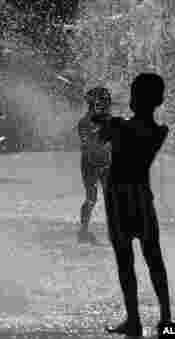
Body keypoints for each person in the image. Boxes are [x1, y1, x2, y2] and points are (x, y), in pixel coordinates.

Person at [96, 73, 172, 337]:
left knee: (125, 261)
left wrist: (104, 119)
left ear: (133, 99)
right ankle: (166, 319)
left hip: (118, 198)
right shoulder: (160, 132)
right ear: (159, 100)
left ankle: (134, 320)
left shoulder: (119, 126)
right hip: (142, 196)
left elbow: (101, 137)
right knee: (154, 258)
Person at [77, 86, 112, 243]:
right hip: (90, 164)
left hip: (105, 163)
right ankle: (83, 231)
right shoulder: (85, 122)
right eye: (101, 103)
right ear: (92, 104)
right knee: (91, 198)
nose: (105, 107)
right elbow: (89, 144)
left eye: (106, 103)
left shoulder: (108, 120)